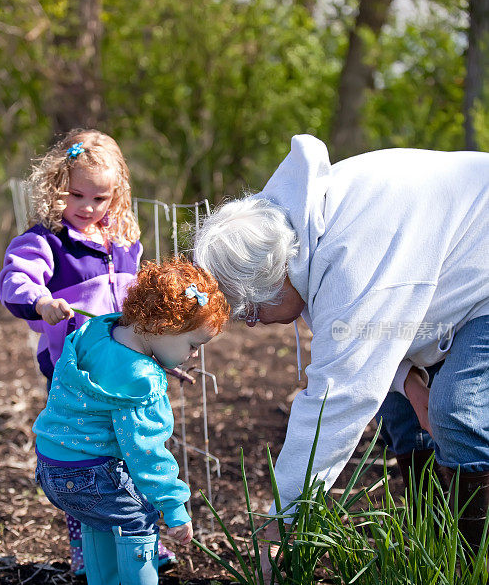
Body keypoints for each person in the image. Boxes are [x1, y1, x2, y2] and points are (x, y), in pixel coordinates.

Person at [194, 134, 489, 557]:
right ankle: (435, 546)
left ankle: (474, 569)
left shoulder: (350, 254)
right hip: (452, 273)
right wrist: (409, 383)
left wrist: (281, 521)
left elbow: (341, 395)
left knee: (457, 410)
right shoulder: (300, 230)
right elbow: (372, 334)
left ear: (277, 278)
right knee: (402, 409)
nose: (253, 324)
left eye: (252, 312)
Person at [0, 129, 172, 574]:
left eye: (101, 198)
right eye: (77, 194)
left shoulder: (124, 242)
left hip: (123, 370)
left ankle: (139, 536)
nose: (89, 207)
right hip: (72, 371)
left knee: (133, 448)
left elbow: (134, 303)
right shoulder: (48, 241)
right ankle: (85, 547)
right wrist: (41, 301)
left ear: (117, 196)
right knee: (82, 458)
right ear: (58, 187)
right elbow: (17, 278)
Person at [32, 258, 229, 585]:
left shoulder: (95, 331)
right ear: (160, 327)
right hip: (89, 471)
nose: (194, 355)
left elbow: (117, 363)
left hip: (51, 464)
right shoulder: (142, 381)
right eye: (192, 344)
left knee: (101, 518)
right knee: (137, 517)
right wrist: (173, 507)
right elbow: (146, 454)